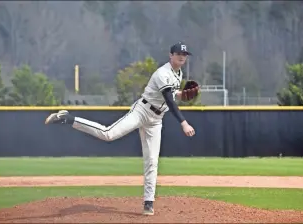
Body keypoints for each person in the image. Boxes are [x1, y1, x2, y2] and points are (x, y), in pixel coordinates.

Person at [44, 41, 196, 216]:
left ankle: (148, 202)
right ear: (171, 55)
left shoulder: (178, 74)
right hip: (142, 111)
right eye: (179, 54)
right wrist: (183, 122)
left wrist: (181, 95)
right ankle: (68, 118)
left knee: (152, 161)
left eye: (185, 55)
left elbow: (172, 95)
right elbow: (168, 99)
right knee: (108, 134)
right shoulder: (162, 73)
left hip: (156, 120)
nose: (182, 57)